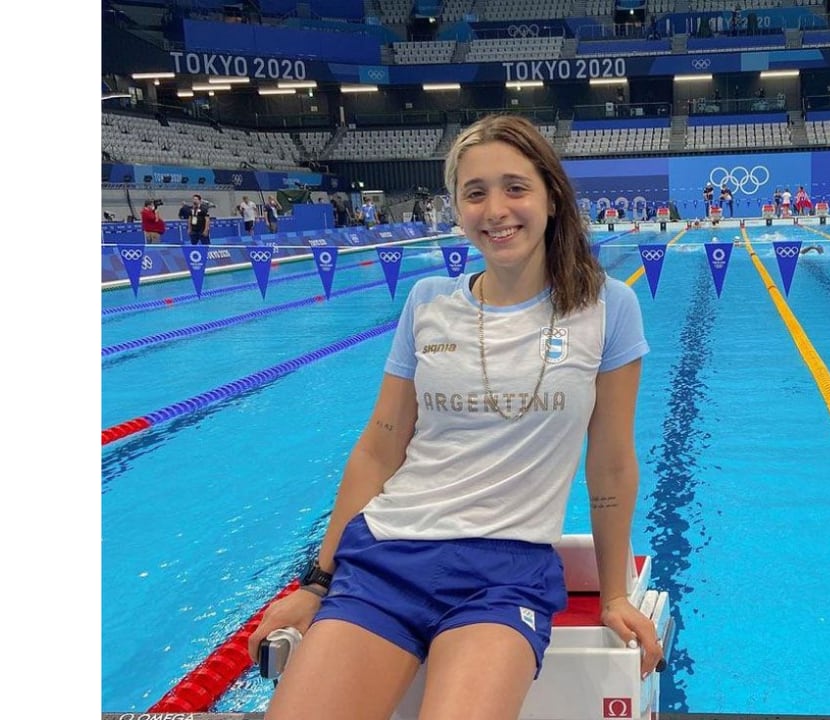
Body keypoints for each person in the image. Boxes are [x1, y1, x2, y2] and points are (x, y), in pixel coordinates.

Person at [247, 114, 663, 720]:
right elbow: (380, 449)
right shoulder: (427, 304)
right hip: (386, 561)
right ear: (457, 208)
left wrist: (615, 594)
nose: (496, 209)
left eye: (515, 187)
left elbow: (610, 463)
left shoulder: (608, 308)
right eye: (475, 192)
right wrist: (316, 582)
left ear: (551, 195)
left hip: (505, 577)